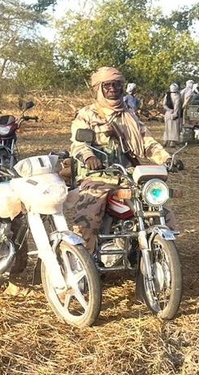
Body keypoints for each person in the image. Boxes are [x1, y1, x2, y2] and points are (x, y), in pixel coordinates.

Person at [67, 67, 173, 251]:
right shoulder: (87, 114)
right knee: (89, 214)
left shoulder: (129, 114)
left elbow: (146, 141)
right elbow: (78, 144)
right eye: (107, 85)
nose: (113, 89)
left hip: (127, 176)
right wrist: (89, 156)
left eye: (117, 84)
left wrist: (166, 158)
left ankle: (160, 249)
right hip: (97, 176)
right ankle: (83, 257)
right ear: (98, 88)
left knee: (159, 207)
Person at [163, 82, 183, 147]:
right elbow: (177, 106)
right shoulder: (177, 96)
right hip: (174, 114)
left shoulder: (167, 95)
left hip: (167, 114)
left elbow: (164, 105)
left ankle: (165, 141)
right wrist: (175, 114)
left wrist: (169, 110)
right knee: (174, 128)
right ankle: (172, 142)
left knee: (167, 128)